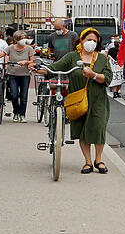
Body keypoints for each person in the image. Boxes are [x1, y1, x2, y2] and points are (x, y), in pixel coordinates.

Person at [38, 28, 112, 174]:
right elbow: (54, 68)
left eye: (94, 41)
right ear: (81, 41)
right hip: (77, 99)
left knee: (98, 127)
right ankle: (88, 162)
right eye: (89, 40)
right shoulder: (72, 57)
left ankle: (98, 159)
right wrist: (37, 68)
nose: (91, 43)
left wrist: (94, 75)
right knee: (82, 128)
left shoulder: (102, 59)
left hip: (98, 99)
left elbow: (107, 78)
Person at [0, 30, 36, 122]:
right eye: (21, 38)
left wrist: (26, 62)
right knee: (14, 95)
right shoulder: (10, 48)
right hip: (12, 74)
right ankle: (16, 113)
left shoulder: (29, 49)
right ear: (16, 40)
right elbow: (1, 54)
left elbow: (32, 61)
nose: (24, 40)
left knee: (23, 96)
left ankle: (22, 115)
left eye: (24, 38)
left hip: (24, 74)